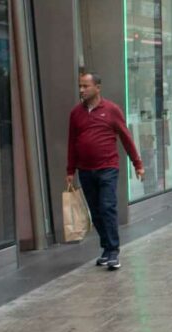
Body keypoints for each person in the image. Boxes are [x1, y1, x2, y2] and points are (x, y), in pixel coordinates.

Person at [66, 72, 144, 271]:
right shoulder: (76, 114)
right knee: (96, 211)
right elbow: (72, 143)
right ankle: (106, 248)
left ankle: (113, 251)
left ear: (97, 88)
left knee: (107, 206)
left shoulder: (111, 110)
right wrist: (70, 170)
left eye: (85, 86)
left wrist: (137, 163)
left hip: (107, 168)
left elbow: (126, 137)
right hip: (85, 170)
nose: (81, 90)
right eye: (80, 86)